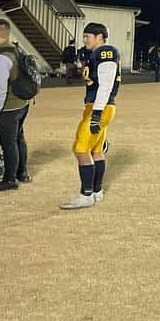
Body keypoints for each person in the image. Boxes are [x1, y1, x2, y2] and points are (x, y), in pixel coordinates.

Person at [60, 23, 121, 209]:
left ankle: (86, 194)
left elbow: (106, 85)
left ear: (100, 37)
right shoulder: (93, 53)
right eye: (84, 36)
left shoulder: (105, 52)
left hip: (100, 106)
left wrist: (96, 113)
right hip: (97, 106)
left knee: (80, 148)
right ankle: (96, 191)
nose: (85, 39)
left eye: (88, 36)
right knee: (96, 150)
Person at [0, 20, 32, 191]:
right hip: (23, 103)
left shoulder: (0, 59)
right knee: (19, 138)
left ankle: (10, 179)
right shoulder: (16, 49)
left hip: (9, 107)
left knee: (8, 144)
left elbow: (0, 89)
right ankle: (22, 172)